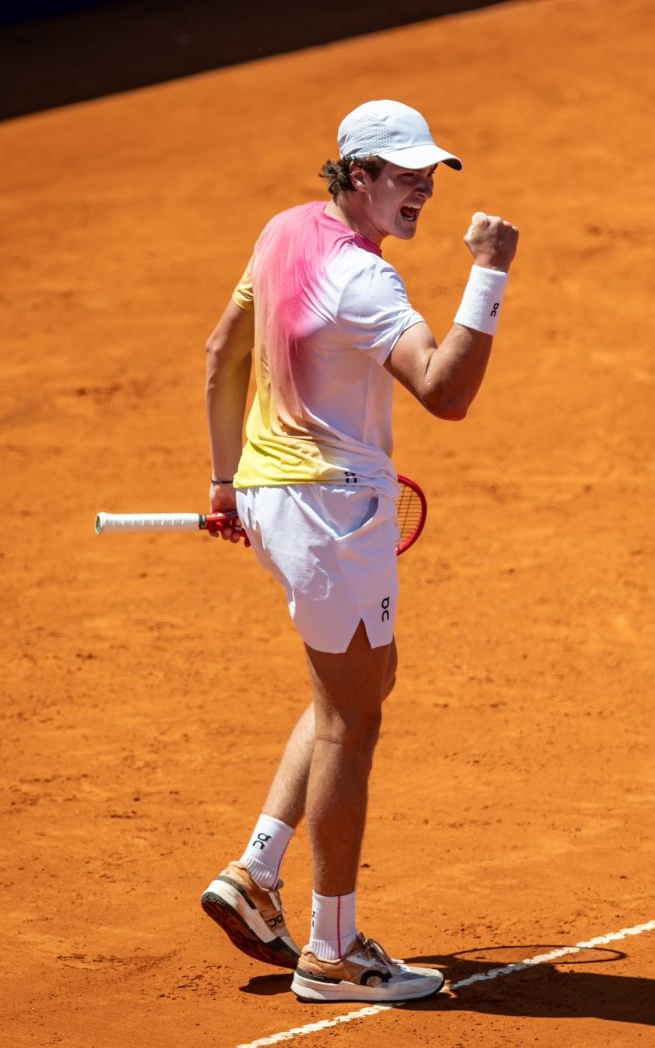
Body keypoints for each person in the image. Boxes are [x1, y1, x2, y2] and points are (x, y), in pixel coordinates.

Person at [197, 99, 519, 1004]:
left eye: (429, 175)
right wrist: (490, 275)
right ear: (359, 175)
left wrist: (225, 484)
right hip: (333, 517)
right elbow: (446, 392)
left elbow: (221, 353)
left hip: (274, 498)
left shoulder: (283, 232)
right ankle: (333, 951)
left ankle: (257, 871)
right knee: (352, 721)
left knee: (362, 682)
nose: (423, 190)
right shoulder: (364, 282)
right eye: (404, 175)